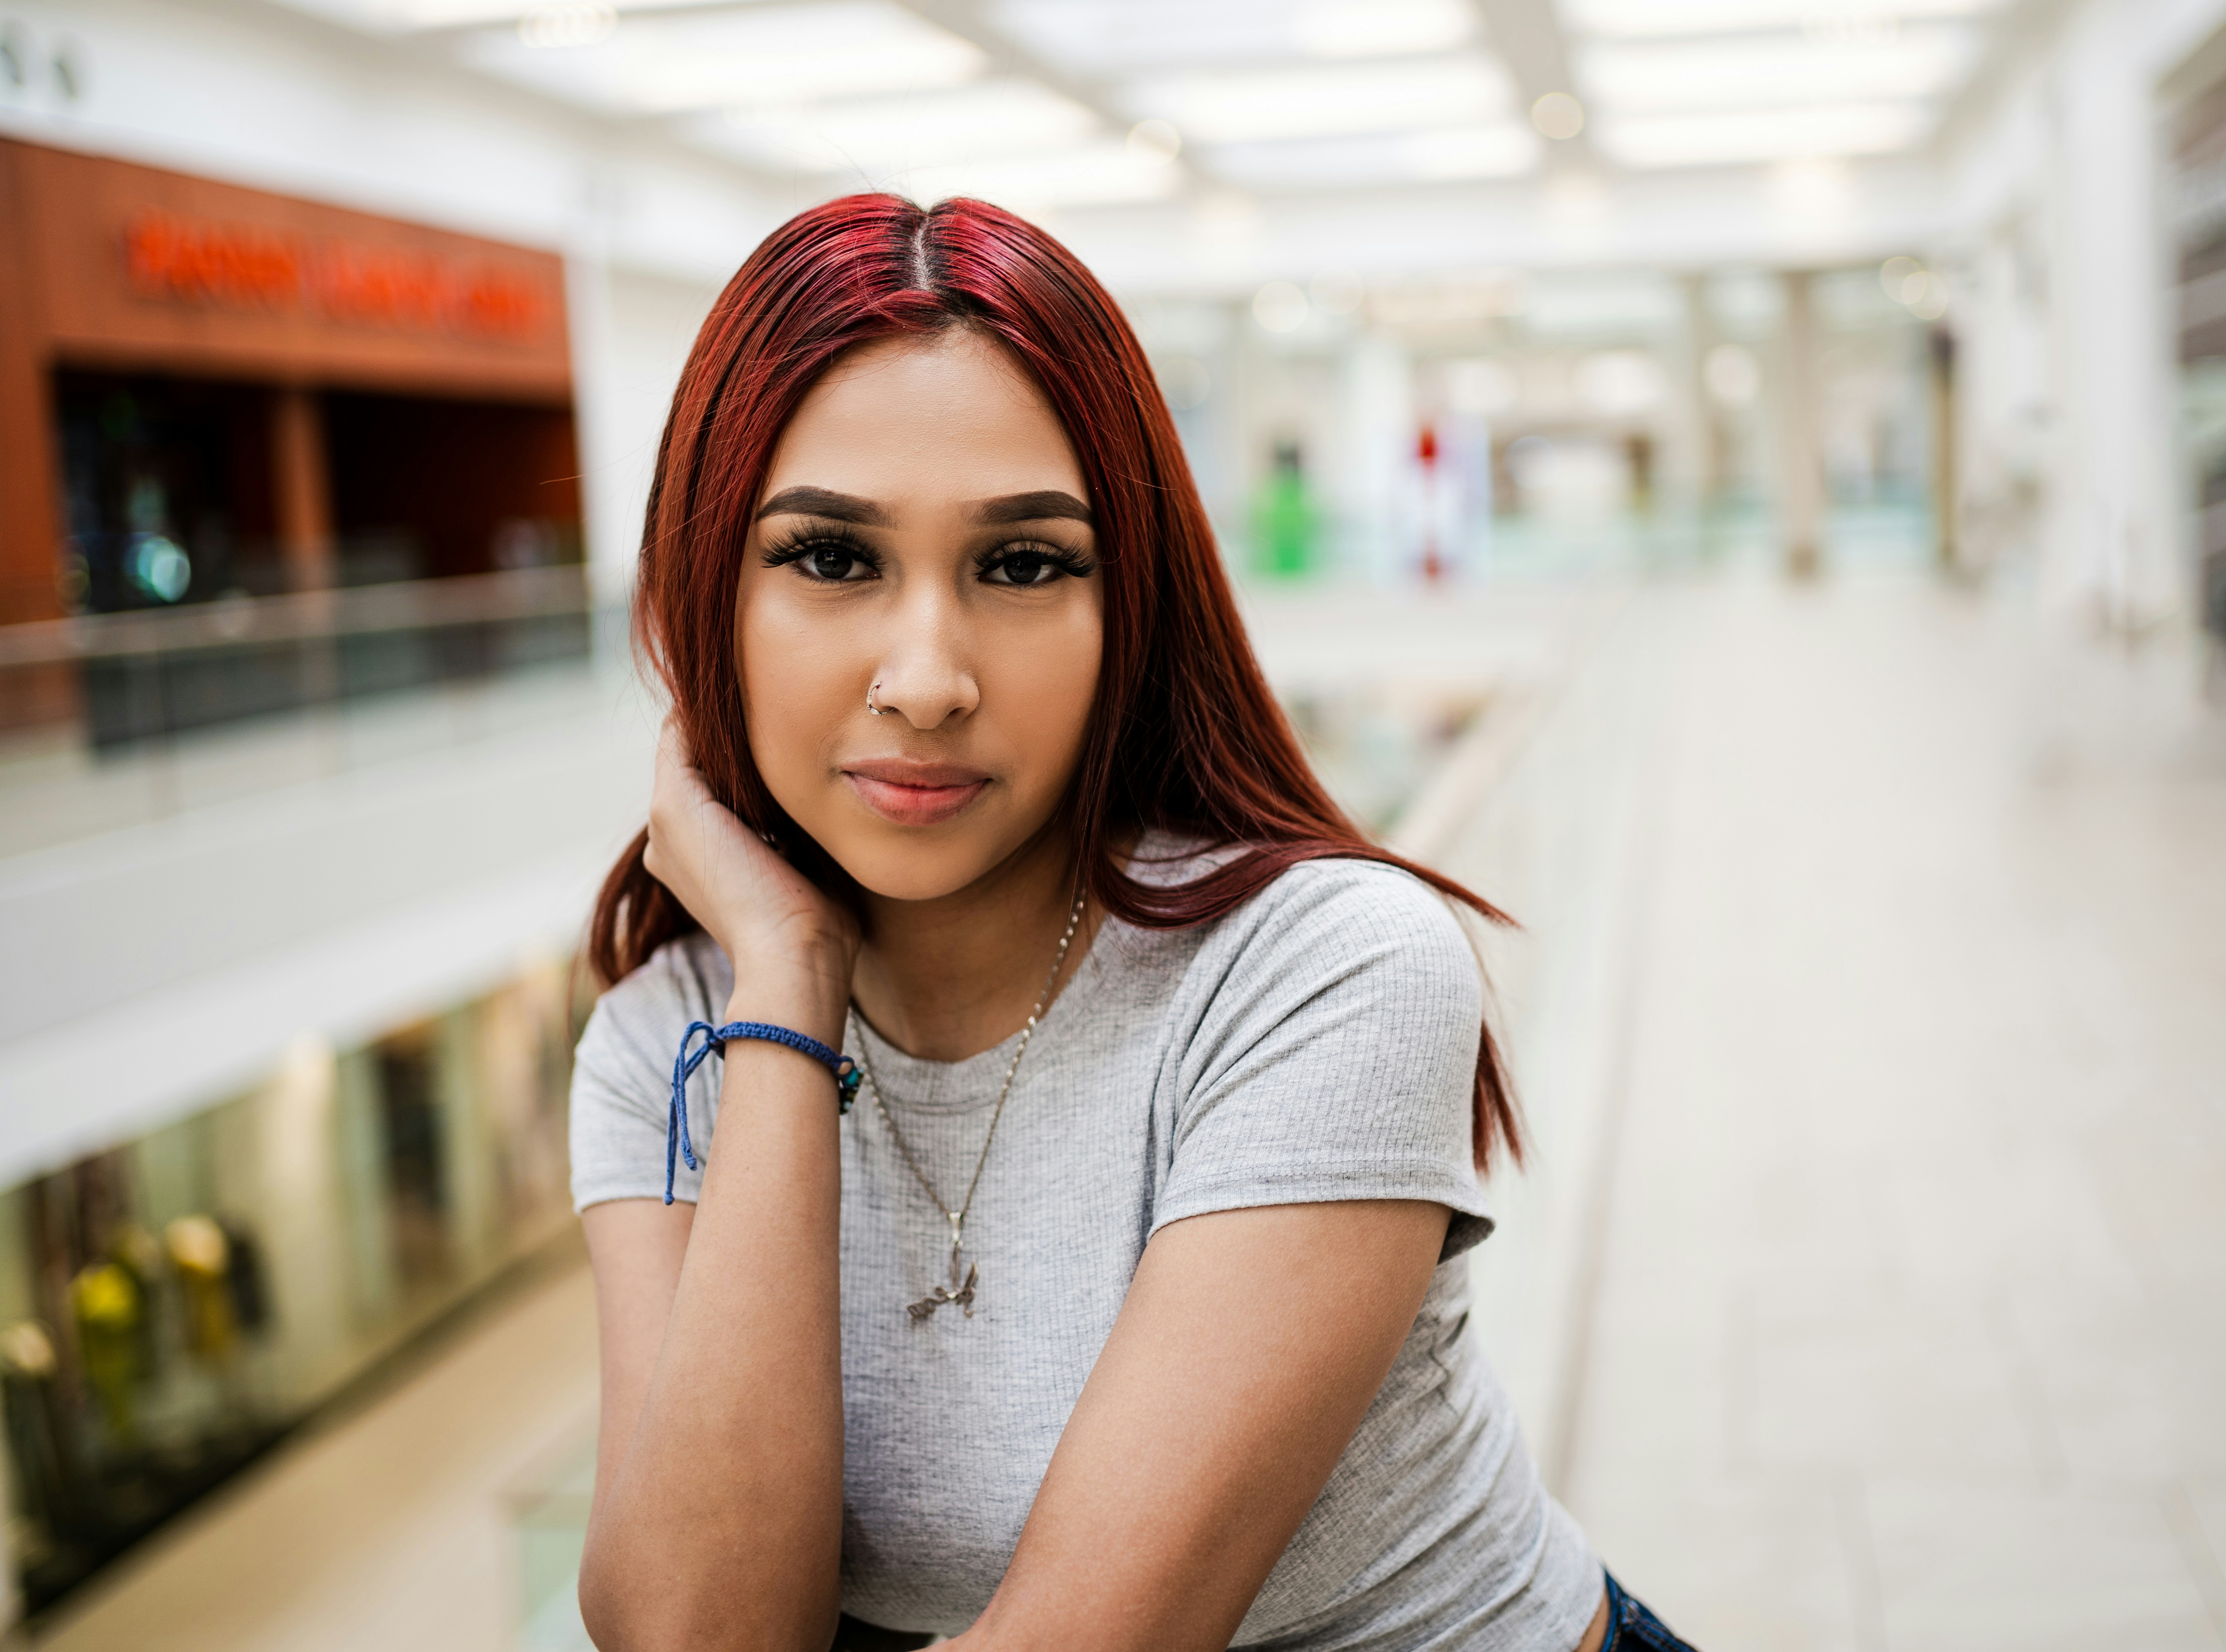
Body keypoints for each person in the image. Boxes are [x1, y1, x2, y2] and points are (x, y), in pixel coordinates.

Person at [567, 193, 1698, 1652]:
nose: (926, 680)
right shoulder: (666, 1038)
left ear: (1132, 608)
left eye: (1024, 564)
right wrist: (787, 985)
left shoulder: (1328, 972)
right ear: (701, 594)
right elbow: (694, 1635)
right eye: (832, 560)